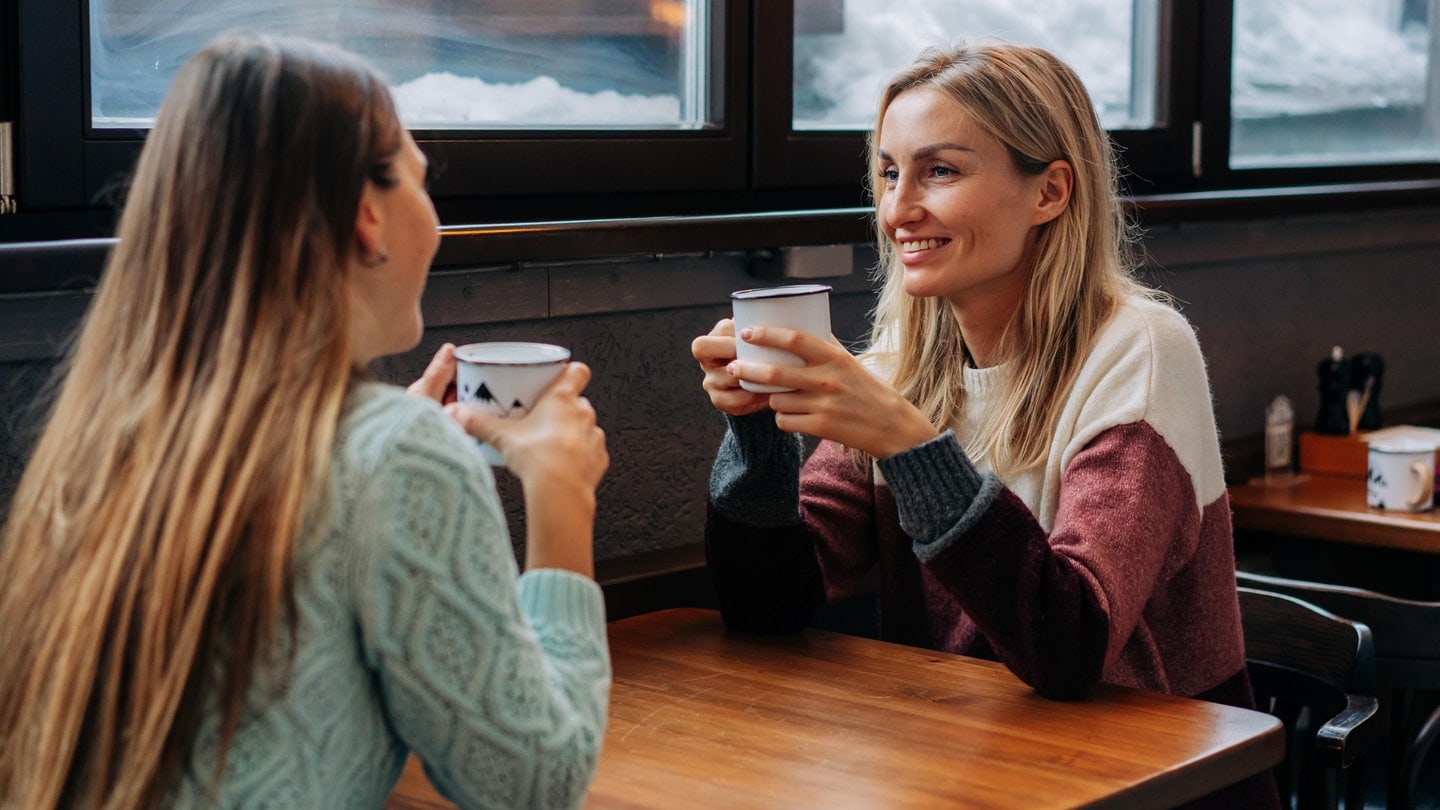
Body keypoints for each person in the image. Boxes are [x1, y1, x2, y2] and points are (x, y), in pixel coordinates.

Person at [0, 34, 610, 809]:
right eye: (422, 182)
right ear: (367, 216)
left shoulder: (103, 436)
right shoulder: (395, 455)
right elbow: (534, 782)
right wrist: (562, 499)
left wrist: (388, 478)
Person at [693, 42, 1277, 808]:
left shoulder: (1140, 350)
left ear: (1052, 191)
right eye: (889, 172)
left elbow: (1070, 646)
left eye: (941, 171)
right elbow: (769, 606)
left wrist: (907, 444)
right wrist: (759, 430)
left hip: (1153, 787)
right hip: (964, 770)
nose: (899, 210)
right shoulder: (899, 365)